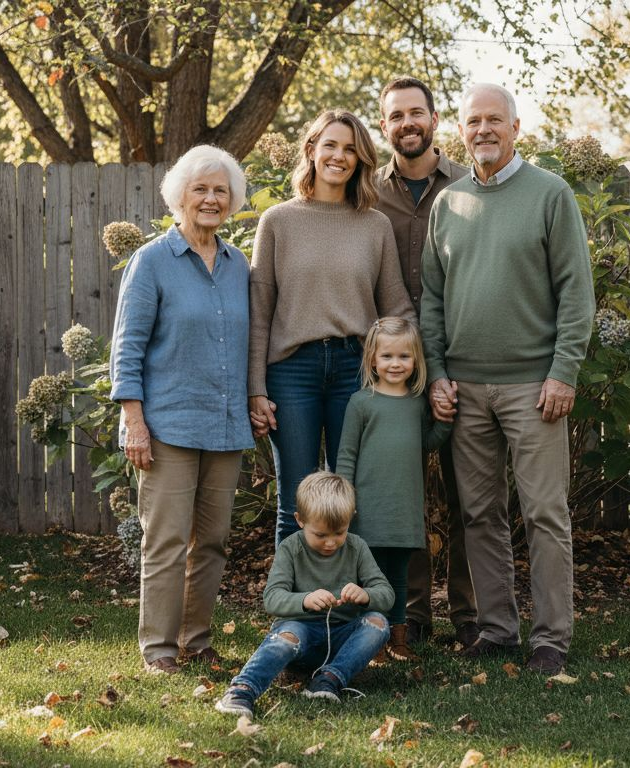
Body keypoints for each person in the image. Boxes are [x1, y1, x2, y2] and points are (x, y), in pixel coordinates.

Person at [420, 83, 595, 675]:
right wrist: (438, 373)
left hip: (534, 387)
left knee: (544, 513)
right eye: (474, 122)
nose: (484, 131)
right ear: (461, 131)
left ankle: (551, 639)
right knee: (479, 516)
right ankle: (496, 630)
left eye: (495, 120)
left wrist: (563, 371)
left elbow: (576, 292)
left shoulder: (550, 194)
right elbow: (432, 301)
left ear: (516, 128)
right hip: (466, 390)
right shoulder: (448, 204)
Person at [110, 144, 253, 675]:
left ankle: (197, 639)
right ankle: (159, 649)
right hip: (167, 424)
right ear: (180, 197)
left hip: (224, 425)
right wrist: (134, 422)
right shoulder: (152, 262)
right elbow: (126, 347)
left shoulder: (240, 265)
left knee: (211, 542)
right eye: (201, 189)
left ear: (232, 199)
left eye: (220, 190)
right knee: (166, 541)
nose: (211, 199)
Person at [247, 109, 415, 547]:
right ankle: (290, 609)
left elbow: (395, 305)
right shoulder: (278, 221)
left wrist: (422, 375)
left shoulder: (374, 225)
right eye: (331, 145)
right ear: (311, 150)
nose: (339, 156)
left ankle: (347, 608)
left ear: (361, 160)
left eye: (350, 149)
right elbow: (260, 312)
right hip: (291, 373)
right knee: (296, 501)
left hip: (353, 373)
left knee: (349, 497)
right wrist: (256, 388)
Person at [373, 76, 477, 650]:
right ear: (384, 124)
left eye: (417, 113)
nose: (407, 123)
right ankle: (409, 618)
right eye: (396, 116)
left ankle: (469, 617)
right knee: (399, 499)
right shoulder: (366, 192)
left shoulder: (469, 187)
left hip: (459, 359)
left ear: (435, 120)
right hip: (388, 365)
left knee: (468, 496)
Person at [214, 472, 393, 719]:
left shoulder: (357, 547)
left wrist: (366, 594)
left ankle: (329, 679)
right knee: (287, 635)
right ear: (300, 520)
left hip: (344, 640)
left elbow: (386, 594)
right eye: (320, 535)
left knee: (378, 622)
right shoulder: (291, 548)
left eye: (339, 533)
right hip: (301, 635)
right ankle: (243, 689)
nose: (330, 542)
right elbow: (272, 599)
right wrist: (305, 600)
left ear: (350, 521)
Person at [335, 317, 451, 662]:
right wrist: (345, 500)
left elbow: (427, 443)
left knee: (398, 577)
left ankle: (398, 640)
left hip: (403, 506)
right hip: (368, 507)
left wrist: (444, 422)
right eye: (387, 356)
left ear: (415, 360)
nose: (395, 364)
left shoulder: (417, 403)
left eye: (404, 357)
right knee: (370, 578)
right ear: (373, 359)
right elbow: (346, 455)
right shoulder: (361, 402)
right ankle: (371, 640)